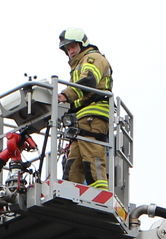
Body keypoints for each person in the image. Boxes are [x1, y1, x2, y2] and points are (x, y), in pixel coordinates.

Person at [56, 28, 113, 190]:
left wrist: (65, 95)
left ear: (82, 44)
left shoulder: (93, 58)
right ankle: (69, 193)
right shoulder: (78, 65)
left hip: (93, 115)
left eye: (73, 46)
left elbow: (89, 81)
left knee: (92, 156)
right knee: (73, 163)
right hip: (81, 120)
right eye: (68, 49)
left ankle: (100, 193)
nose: (71, 51)